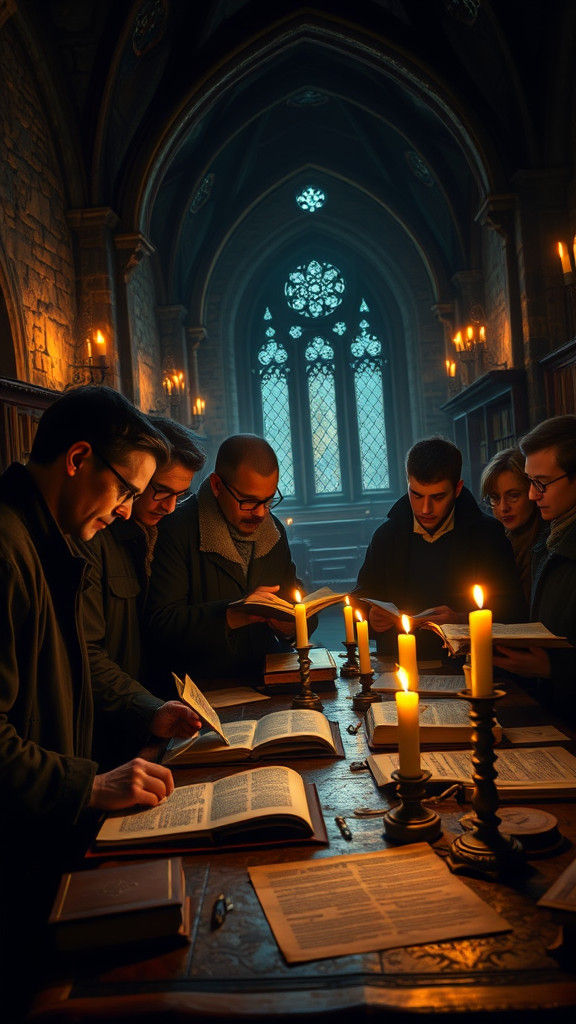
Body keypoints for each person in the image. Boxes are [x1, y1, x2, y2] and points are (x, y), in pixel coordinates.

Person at [0, 386, 202, 1007]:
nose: (125, 512)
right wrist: (87, 785)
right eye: (126, 490)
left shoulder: (46, 538)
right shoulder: (8, 549)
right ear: (78, 457)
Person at [78, 416, 206, 766]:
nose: (168, 506)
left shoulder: (161, 533)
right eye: (160, 490)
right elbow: (87, 653)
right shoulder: (96, 535)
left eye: (179, 496)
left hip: (150, 721)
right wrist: (150, 710)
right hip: (108, 733)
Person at [147, 433, 309, 691]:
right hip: (205, 690)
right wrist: (232, 614)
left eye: (268, 501)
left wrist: (292, 625)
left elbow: (292, 598)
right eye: (248, 501)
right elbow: (161, 626)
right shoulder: (176, 529)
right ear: (217, 486)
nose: (260, 513)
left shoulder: (274, 531)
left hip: (268, 685)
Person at [354, 436, 525, 660]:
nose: (425, 508)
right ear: (408, 484)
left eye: (438, 497)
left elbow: (515, 613)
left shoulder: (487, 535)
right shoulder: (387, 536)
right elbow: (360, 599)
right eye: (416, 495)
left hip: (469, 666)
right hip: (398, 666)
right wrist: (371, 617)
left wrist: (462, 619)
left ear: (457, 489)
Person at [493, 415, 576, 717]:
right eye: (530, 482)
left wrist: (552, 668)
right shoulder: (550, 539)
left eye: (541, 483)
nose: (531, 495)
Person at [480, 447, 547, 604]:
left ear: (533, 492)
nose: (503, 507)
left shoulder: (547, 543)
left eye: (514, 496)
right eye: (495, 498)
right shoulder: (493, 541)